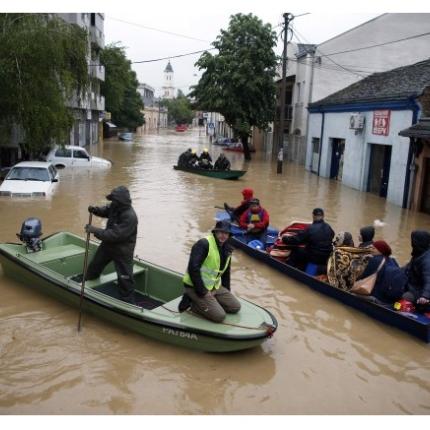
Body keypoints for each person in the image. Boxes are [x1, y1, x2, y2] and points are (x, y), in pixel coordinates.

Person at [178, 220, 241, 322]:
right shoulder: (203, 244)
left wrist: (226, 292)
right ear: (215, 232)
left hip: (213, 287)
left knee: (235, 307)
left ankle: (210, 302)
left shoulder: (227, 248)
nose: (223, 235)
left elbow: (225, 273)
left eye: (226, 233)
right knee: (220, 316)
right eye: (220, 232)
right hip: (195, 287)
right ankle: (192, 303)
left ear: (229, 235)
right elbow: (193, 268)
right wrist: (203, 292)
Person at [84, 186, 138, 304]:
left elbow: (114, 235)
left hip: (123, 251)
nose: (112, 202)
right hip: (108, 246)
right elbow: (106, 210)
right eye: (112, 200)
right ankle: (88, 286)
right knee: (94, 266)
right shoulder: (115, 206)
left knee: (125, 278)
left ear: (121, 201)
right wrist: (95, 210)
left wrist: (94, 230)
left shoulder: (130, 217)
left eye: (115, 200)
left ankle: (127, 303)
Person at [401, 230, 430, 309]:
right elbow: (409, 267)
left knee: (405, 297)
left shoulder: (426, 260)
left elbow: (428, 279)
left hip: (421, 291)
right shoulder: (419, 252)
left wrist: (425, 296)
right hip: (414, 286)